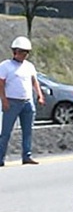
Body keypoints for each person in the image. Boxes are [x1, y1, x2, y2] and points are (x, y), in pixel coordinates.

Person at [2, 34, 38, 164]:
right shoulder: (5, 66)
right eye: (22, 52)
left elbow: (34, 81)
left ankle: (26, 156)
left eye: (26, 52)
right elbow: (1, 83)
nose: (24, 54)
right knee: (6, 132)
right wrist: (4, 100)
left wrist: (39, 94)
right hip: (12, 102)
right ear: (15, 51)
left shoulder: (29, 66)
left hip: (27, 102)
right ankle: (0, 158)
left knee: (27, 131)